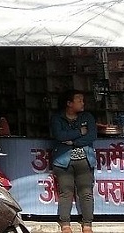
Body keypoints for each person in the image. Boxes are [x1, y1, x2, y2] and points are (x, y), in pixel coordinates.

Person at [50, 89, 97, 233]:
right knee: (66, 192)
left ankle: (87, 224)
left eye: (83, 100)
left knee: (86, 192)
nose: (83, 103)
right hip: (63, 161)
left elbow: (92, 135)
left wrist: (73, 142)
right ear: (69, 103)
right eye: (79, 100)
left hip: (85, 160)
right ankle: (65, 223)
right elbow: (59, 135)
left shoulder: (87, 117)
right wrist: (79, 132)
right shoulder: (57, 118)